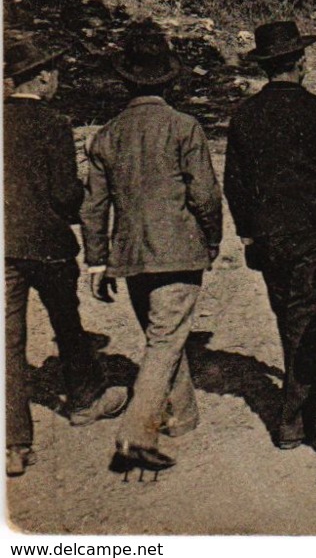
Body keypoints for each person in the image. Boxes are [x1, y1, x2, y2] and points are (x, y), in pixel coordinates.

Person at [84, 24, 223, 473]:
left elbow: (94, 205)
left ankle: (181, 416)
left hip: (130, 255)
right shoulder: (184, 127)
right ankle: (135, 433)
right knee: (165, 340)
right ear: (168, 80)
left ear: (125, 81)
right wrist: (213, 237)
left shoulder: (105, 136)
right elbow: (205, 194)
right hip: (178, 250)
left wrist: (97, 261)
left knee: (162, 336)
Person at [225, 20, 316, 450]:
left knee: (290, 317)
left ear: (266, 68)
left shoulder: (246, 115)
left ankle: (304, 394)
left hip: (270, 239)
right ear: (301, 63)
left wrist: (248, 235)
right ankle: (294, 415)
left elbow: (235, 183)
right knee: (309, 323)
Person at [5, 33, 127, 477]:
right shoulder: (54, 123)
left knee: (9, 343)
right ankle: (84, 400)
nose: (56, 79)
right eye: (53, 71)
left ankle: (14, 443)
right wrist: (85, 199)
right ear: (42, 78)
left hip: (4, 246)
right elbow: (63, 193)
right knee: (66, 324)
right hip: (48, 245)